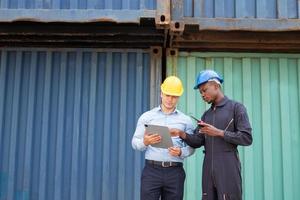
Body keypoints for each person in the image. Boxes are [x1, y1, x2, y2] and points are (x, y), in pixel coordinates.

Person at [170, 69, 252, 200]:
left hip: (228, 164)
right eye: (200, 92)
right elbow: (197, 141)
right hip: (208, 167)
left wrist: (219, 132)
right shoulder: (206, 115)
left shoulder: (236, 108)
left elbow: (246, 138)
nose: (202, 94)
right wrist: (180, 133)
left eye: (204, 90)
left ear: (216, 86)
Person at [132, 76, 195, 200]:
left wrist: (181, 152)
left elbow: (192, 147)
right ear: (161, 93)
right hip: (152, 171)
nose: (170, 100)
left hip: (175, 173)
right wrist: (145, 142)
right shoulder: (147, 117)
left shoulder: (186, 121)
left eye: (174, 96)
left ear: (179, 97)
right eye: (167, 95)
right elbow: (135, 142)